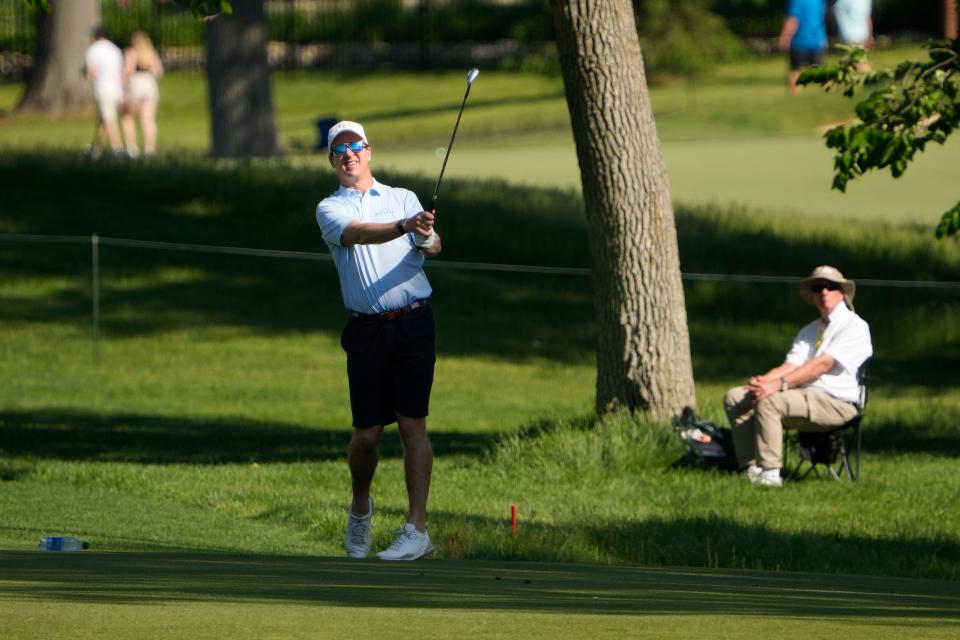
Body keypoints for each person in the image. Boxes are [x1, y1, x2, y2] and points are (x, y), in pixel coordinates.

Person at [315, 120, 442, 561]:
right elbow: (361, 234)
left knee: (413, 426)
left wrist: (423, 230)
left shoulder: (402, 197)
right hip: (366, 329)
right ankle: (360, 508)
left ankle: (416, 530)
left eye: (355, 146)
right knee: (367, 435)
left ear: (369, 151)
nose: (348, 154)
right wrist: (405, 225)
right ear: (332, 160)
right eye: (338, 150)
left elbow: (434, 246)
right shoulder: (330, 208)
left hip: (413, 324)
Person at [723, 266, 873, 487]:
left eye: (830, 287)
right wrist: (762, 382)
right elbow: (790, 365)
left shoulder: (855, 326)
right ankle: (751, 468)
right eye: (818, 287)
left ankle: (770, 474)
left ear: (842, 292)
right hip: (803, 395)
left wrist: (777, 386)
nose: (824, 292)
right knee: (736, 396)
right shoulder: (810, 330)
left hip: (837, 402)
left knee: (770, 402)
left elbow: (822, 365)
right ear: (812, 295)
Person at [121, 31, 164, 158]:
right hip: (149, 86)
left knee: (127, 117)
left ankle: (131, 148)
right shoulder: (151, 53)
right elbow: (159, 72)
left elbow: (127, 71)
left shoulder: (131, 53)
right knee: (148, 120)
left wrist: (123, 87)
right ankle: (149, 149)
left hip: (135, 86)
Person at [84, 27, 125, 157]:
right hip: (116, 88)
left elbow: (91, 72)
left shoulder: (93, 50)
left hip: (102, 88)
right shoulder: (115, 50)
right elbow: (121, 71)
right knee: (104, 119)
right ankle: (95, 149)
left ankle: (117, 148)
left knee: (109, 120)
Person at [779, 0, 828, 95]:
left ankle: (794, 94)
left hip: (800, 41)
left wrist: (785, 37)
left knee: (796, 70)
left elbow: (793, 20)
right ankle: (826, 92)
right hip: (818, 39)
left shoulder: (797, 1)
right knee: (819, 70)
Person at [832, 0, 873, 71]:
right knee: (858, 66)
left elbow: (835, 13)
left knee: (852, 67)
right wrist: (869, 35)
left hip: (847, 37)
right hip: (860, 37)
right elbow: (867, 17)